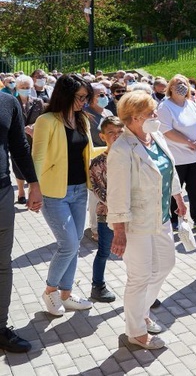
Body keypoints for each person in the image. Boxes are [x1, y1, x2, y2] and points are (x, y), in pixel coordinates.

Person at [108, 91, 188, 350]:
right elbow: (117, 193)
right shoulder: (122, 149)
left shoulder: (157, 137)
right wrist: (119, 231)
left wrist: (178, 198)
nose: (156, 116)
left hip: (161, 217)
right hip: (136, 223)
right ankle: (135, 331)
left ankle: (141, 311)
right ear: (133, 117)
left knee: (165, 264)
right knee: (139, 276)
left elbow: (170, 169)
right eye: (151, 113)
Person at [32, 74, 101, 316]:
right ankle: (50, 291)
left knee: (74, 244)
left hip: (80, 190)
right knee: (68, 243)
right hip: (54, 193)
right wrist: (34, 188)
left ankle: (66, 293)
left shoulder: (82, 119)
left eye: (86, 97)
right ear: (66, 94)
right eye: (80, 97)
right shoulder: (46, 120)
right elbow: (37, 158)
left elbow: (89, 152)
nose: (84, 102)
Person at [0, 89, 42, 352]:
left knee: (2, 265)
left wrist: (34, 183)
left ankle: (0, 328)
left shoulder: (7, 102)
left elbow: (19, 146)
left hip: (2, 193)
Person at [157, 74, 196, 231]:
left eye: (184, 83)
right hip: (176, 157)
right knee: (175, 190)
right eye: (178, 83)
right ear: (170, 87)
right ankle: (173, 219)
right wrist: (188, 143)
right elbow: (166, 130)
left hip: (195, 156)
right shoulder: (165, 106)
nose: (182, 86)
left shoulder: (191, 103)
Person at [88, 116, 125, 302]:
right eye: (111, 132)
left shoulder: (131, 156)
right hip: (107, 215)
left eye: (120, 132)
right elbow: (100, 191)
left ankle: (139, 288)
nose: (116, 136)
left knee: (135, 253)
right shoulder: (97, 163)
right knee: (104, 251)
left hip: (132, 214)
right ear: (102, 136)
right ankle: (97, 286)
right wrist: (121, 207)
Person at [83, 83, 113, 242]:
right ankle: (95, 228)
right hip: (94, 161)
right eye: (100, 95)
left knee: (107, 193)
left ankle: (107, 223)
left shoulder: (108, 112)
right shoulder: (85, 115)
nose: (104, 97)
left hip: (109, 158)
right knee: (96, 193)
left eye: (105, 93)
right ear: (90, 99)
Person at [12, 75, 44, 206]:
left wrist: (35, 127)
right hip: (17, 140)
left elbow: (43, 119)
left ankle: (33, 190)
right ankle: (20, 192)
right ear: (17, 88)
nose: (25, 89)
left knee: (34, 166)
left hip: (34, 139)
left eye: (27, 87)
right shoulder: (13, 101)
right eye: (22, 87)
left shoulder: (38, 102)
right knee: (18, 167)